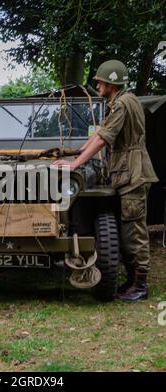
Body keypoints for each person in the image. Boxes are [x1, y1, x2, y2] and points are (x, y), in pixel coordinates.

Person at [52, 60, 158, 301]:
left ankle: (140, 285)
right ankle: (133, 281)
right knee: (128, 229)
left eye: (100, 81)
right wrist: (78, 154)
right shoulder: (125, 100)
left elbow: (102, 140)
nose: (97, 84)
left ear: (111, 82)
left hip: (132, 173)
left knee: (134, 232)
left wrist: (75, 164)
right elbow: (100, 134)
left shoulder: (121, 104)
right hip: (130, 171)